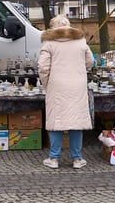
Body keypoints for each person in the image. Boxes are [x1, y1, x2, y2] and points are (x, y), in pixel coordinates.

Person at [37, 15, 94, 169]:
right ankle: (77, 159)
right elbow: (90, 62)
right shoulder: (80, 41)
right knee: (76, 121)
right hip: (77, 85)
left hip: (57, 85)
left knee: (56, 120)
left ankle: (54, 158)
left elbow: (43, 67)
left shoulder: (49, 43)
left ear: (52, 27)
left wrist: (47, 83)